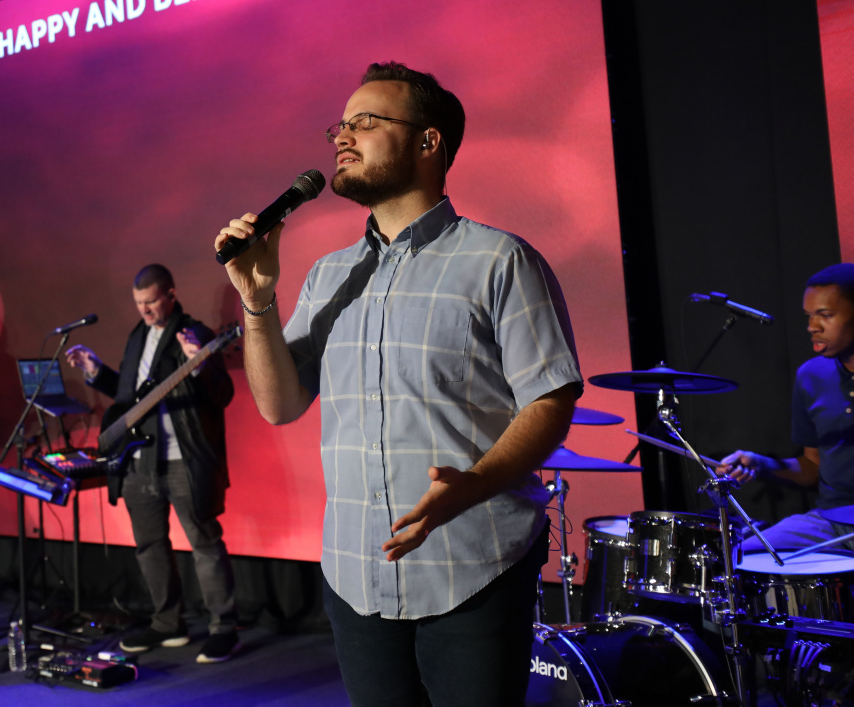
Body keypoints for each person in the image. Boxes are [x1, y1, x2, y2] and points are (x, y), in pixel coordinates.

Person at [215, 62, 582, 706]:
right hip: (355, 573)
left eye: (365, 121)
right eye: (340, 125)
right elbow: (278, 403)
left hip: (474, 565)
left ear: (427, 141)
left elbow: (550, 399)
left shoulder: (500, 260)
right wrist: (256, 300)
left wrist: (472, 485)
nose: (343, 136)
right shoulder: (329, 275)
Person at [64, 264, 240, 663]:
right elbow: (133, 401)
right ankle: (167, 622)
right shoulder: (137, 336)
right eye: (138, 303)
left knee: (205, 544)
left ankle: (224, 628)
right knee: (149, 546)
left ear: (171, 295)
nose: (144, 310)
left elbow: (222, 394)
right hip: (140, 461)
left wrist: (202, 365)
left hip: (184, 460)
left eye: (151, 302)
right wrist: (97, 372)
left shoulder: (194, 335)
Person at [720, 264, 854, 550]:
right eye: (809, 315)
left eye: (825, 315)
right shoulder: (811, 376)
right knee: (741, 559)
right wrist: (759, 463)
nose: (812, 326)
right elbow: (813, 465)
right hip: (828, 521)